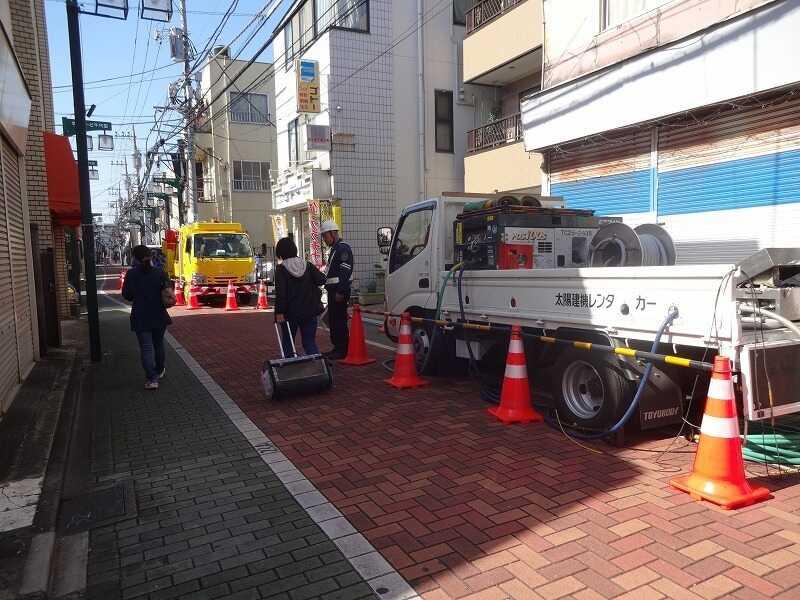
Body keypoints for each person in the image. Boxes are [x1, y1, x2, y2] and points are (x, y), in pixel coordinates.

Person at [122, 245, 172, 390]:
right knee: (158, 345)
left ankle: (152, 379)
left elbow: (127, 295)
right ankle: (160, 370)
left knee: (146, 348)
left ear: (135, 258)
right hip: (159, 314)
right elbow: (167, 291)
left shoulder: (131, 274)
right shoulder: (159, 273)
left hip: (140, 315)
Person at [273, 237, 326, 356]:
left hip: (290, 313)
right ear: (294, 249)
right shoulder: (307, 265)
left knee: (288, 342)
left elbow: (281, 294)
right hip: (310, 311)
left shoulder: (281, 270)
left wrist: (279, 312)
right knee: (309, 342)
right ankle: (317, 366)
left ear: (280, 253)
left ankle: (290, 368)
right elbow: (321, 279)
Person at [320, 220, 353, 360]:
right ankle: (337, 348)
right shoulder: (335, 249)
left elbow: (345, 272)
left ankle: (342, 349)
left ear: (333, 233)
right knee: (334, 320)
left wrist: (340, 291)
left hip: (339, 292)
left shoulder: (343, 248)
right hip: (333, 291)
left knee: (339, 321)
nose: (324, 239)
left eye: (325, 236)